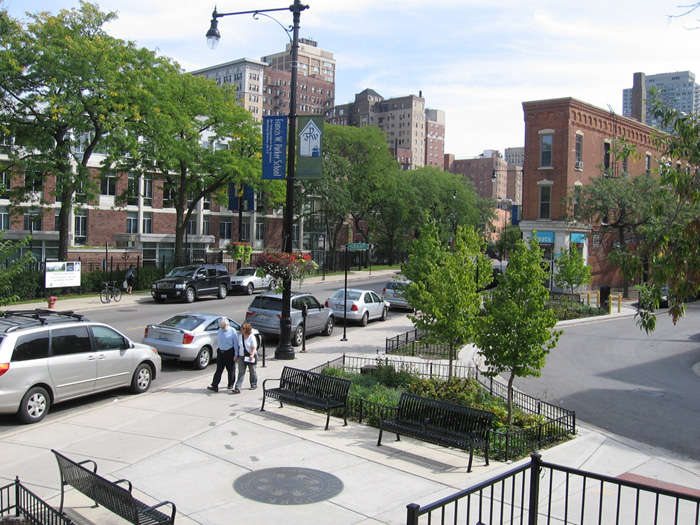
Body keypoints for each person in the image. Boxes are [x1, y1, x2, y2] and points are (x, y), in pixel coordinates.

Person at [207, 318, 238, 393]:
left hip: (229, 352)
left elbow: (236, 344)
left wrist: (236, 354)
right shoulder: (220, 330)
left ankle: (230, 383)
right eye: (221, 327)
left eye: (224, 326)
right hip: (221, 352)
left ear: (227, 325)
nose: (223, 328)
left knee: (230, 369)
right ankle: (215, 385)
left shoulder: (232, 331)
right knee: (219, 370)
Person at [233, 322, 258, 393]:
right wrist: (236, 355)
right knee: (241, 372)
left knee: (252, 371)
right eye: (241, 328)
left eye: (243, 328)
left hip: (250, 356)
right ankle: (237, 387)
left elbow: (254, 347)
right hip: (241, 356)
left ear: (247, 329)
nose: (242, 329)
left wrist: (252, 355)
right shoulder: (240, 336)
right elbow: (238, 346)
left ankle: (253, 384)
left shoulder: (251, 337)